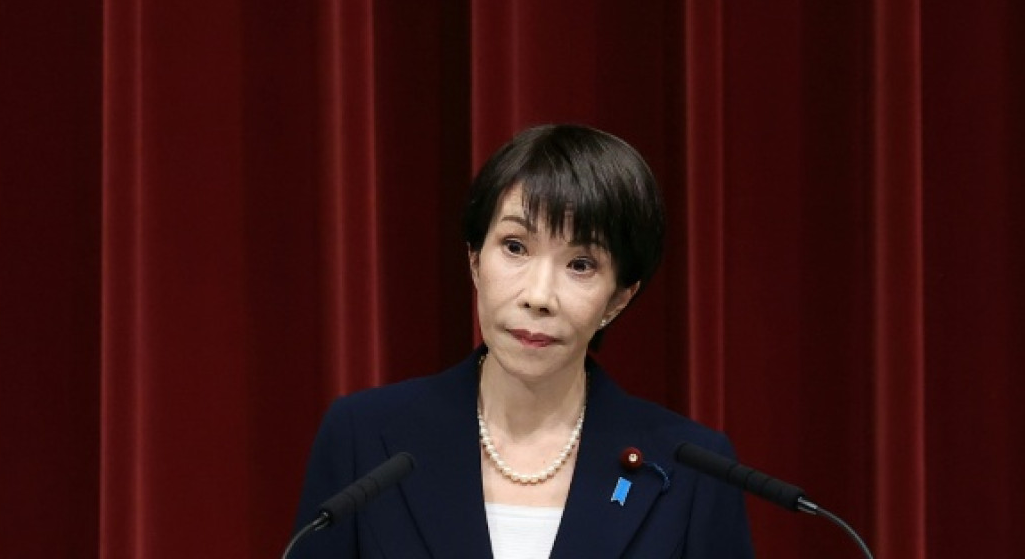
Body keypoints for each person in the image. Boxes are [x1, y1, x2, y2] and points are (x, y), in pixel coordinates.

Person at [291, 124, 755, 558]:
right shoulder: (364, 438)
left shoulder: (692, 469)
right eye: (515, 247)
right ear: (474, 260)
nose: (538, 296)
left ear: (618, 298)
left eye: (581, 264)